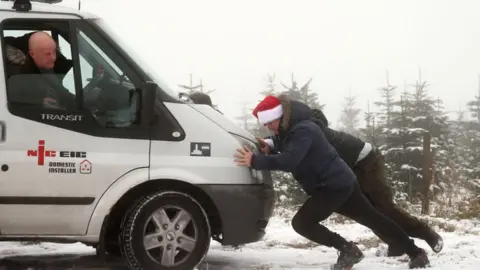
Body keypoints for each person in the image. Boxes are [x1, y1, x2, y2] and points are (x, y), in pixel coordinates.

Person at [234, 94, 431, 269]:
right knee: (374, 219)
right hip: (340, 181)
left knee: (302, 223)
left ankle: (348, 250)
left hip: (332, 186)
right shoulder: (293, 128)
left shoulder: (303, 129)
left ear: (280, 116)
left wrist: (255, 161)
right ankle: (416, 253)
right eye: (265, 124)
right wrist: (270, 147)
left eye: (269, 123)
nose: (267, 127)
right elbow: (289, 147)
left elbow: (289, 160)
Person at [308, 108, 444, 257]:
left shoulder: (317, 133)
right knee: (368, 211)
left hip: (368, 161)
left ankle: (427, 233)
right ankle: (395, 243)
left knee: (384, 206)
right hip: (350, 169)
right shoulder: (309, 136)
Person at [6, 31, 75, 109]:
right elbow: (10, 98)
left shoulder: (53, 67)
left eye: (54, 52)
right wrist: (39, 102)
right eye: (47, 54)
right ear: (31, 54)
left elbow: (62, 91)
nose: (53, 57)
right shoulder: (16, 75)